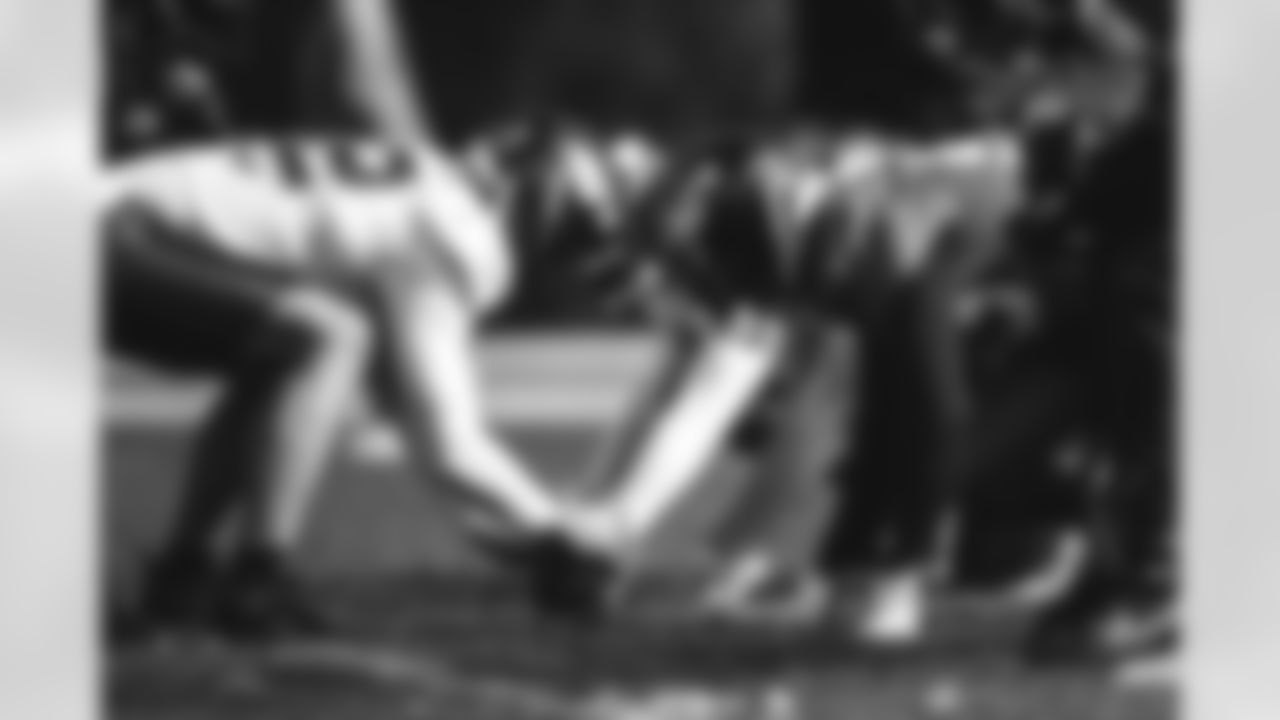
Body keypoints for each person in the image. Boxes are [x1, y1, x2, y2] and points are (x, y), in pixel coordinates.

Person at [104, 135, 603, 640]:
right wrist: (562, 535)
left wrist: (530, 524)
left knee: (288, 349)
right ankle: (258, 577)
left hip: (104, 222)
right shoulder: (455, 231)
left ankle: (184, 574)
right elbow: (449, 444)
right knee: (332, 337)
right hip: (107, 236)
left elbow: (402, 405)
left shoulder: (421, 184)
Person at [558, 129, 1028, 642]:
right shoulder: (859, 197)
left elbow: (937, 411)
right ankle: (842, 564)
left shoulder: (899, 207)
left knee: (910, 406)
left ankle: (886, 566)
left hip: (953, 225)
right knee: (870, 400)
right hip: (902, 218)